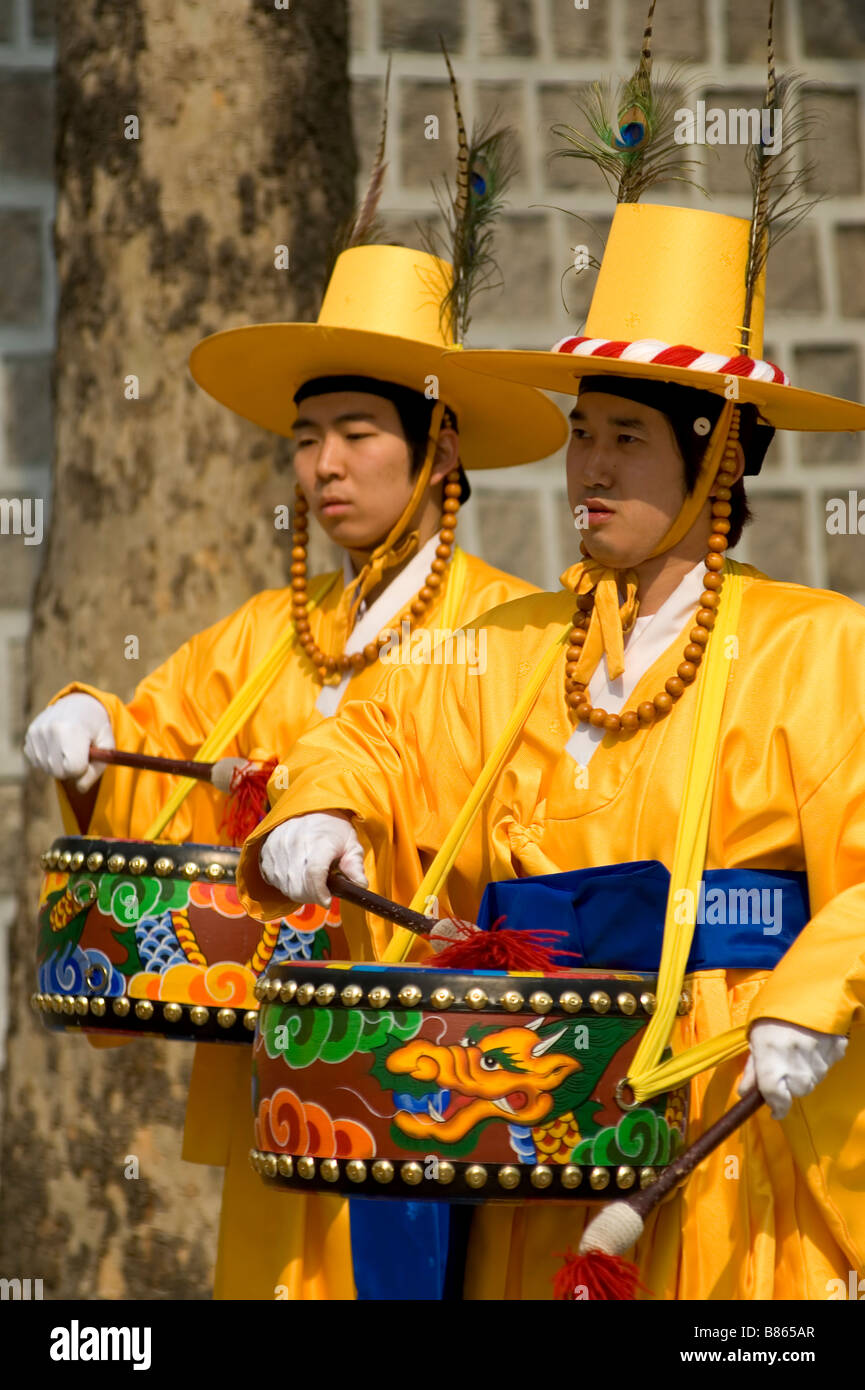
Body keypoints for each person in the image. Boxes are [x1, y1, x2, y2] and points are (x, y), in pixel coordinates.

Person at [238, 187, 865, 1300]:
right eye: (581, 436)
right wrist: (322, 806)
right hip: (520, 1102)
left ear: (716, 456)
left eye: (627, 438)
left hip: (719, 1095)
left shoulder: (819, 645)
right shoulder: (515, 641)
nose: (591, 469)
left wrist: (810, 997)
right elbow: (378, 733)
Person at [23, 232, 567, 1299]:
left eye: (359, 433)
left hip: (430, 1077)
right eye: (306, 436)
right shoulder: (274, 630)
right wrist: (89, 731)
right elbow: (162, 746)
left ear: (439, 448)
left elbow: (534, 836)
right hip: (281, 1072)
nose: (323, 465)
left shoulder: (517, 628)